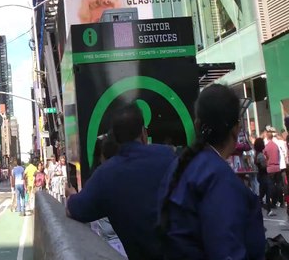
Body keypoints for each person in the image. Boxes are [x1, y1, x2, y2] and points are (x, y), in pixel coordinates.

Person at [158, 84, 265, 259]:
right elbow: (226, 252)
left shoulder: (181, 166)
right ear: (237, 128)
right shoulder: (218, 178)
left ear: (197, 124)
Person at [65, 103, 176, 259]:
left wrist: (72, 195)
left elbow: (74, 208)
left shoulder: (105, 175)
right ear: (144, 134)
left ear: (115, 138)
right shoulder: (169, 156)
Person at [254, 138, 274, 216]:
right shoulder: (261, 155)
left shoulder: (257, 154)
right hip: (264, 176)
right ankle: (268, 209)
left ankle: (263, 207)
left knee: (262, 193)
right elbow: (264, 166)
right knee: (268, 192)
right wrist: (267, 160)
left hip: (260, 176)